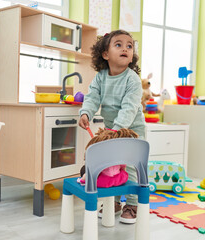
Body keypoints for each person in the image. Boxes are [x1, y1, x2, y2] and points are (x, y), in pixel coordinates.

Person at [78, 29, 145, 224]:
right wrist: (86, 113)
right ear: (105, 54)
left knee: (130, 165)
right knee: (112, 165)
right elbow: (91, 97)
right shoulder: (101, 77)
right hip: (112, 131)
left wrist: (117, 130)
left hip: (132, 131)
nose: (125, 48)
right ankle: (114, 201)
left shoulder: (132, 79)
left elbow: (129, 108)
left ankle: (132, 204)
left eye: (129, 46)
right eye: (119, 45)